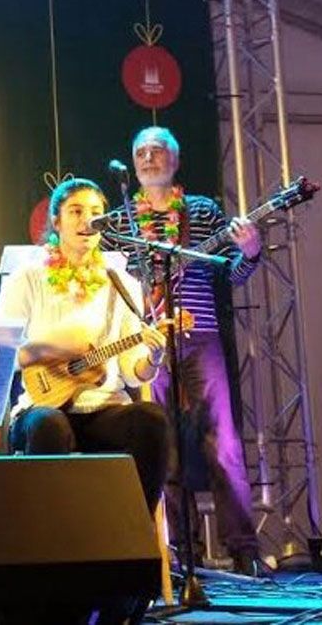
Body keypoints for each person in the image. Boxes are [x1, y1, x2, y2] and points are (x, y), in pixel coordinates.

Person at [0, 177, 170, 623]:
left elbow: (132, 369)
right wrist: (53, 347)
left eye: (95, 211)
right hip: (40, 405)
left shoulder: (119, 281)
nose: (86, 220)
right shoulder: (28, 278)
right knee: (50, 426)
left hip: (100, 404)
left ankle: (127, 556)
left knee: (150, 420)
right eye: (75, 210)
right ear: (56, 221)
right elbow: (2, 353)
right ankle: (55, 572)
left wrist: (152, 354)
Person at [101, 126, 265, 575]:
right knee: (162, 443)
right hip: (147, 342)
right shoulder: (119, 223)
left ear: (175, 161)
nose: (149, 157)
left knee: (224, 442)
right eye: (141, 152)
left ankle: (245, 551)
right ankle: (176, 554)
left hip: (201, 335)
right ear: (133, 165)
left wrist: (249, 254)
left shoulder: (203, 212)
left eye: (159, 150)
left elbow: (227, 276)